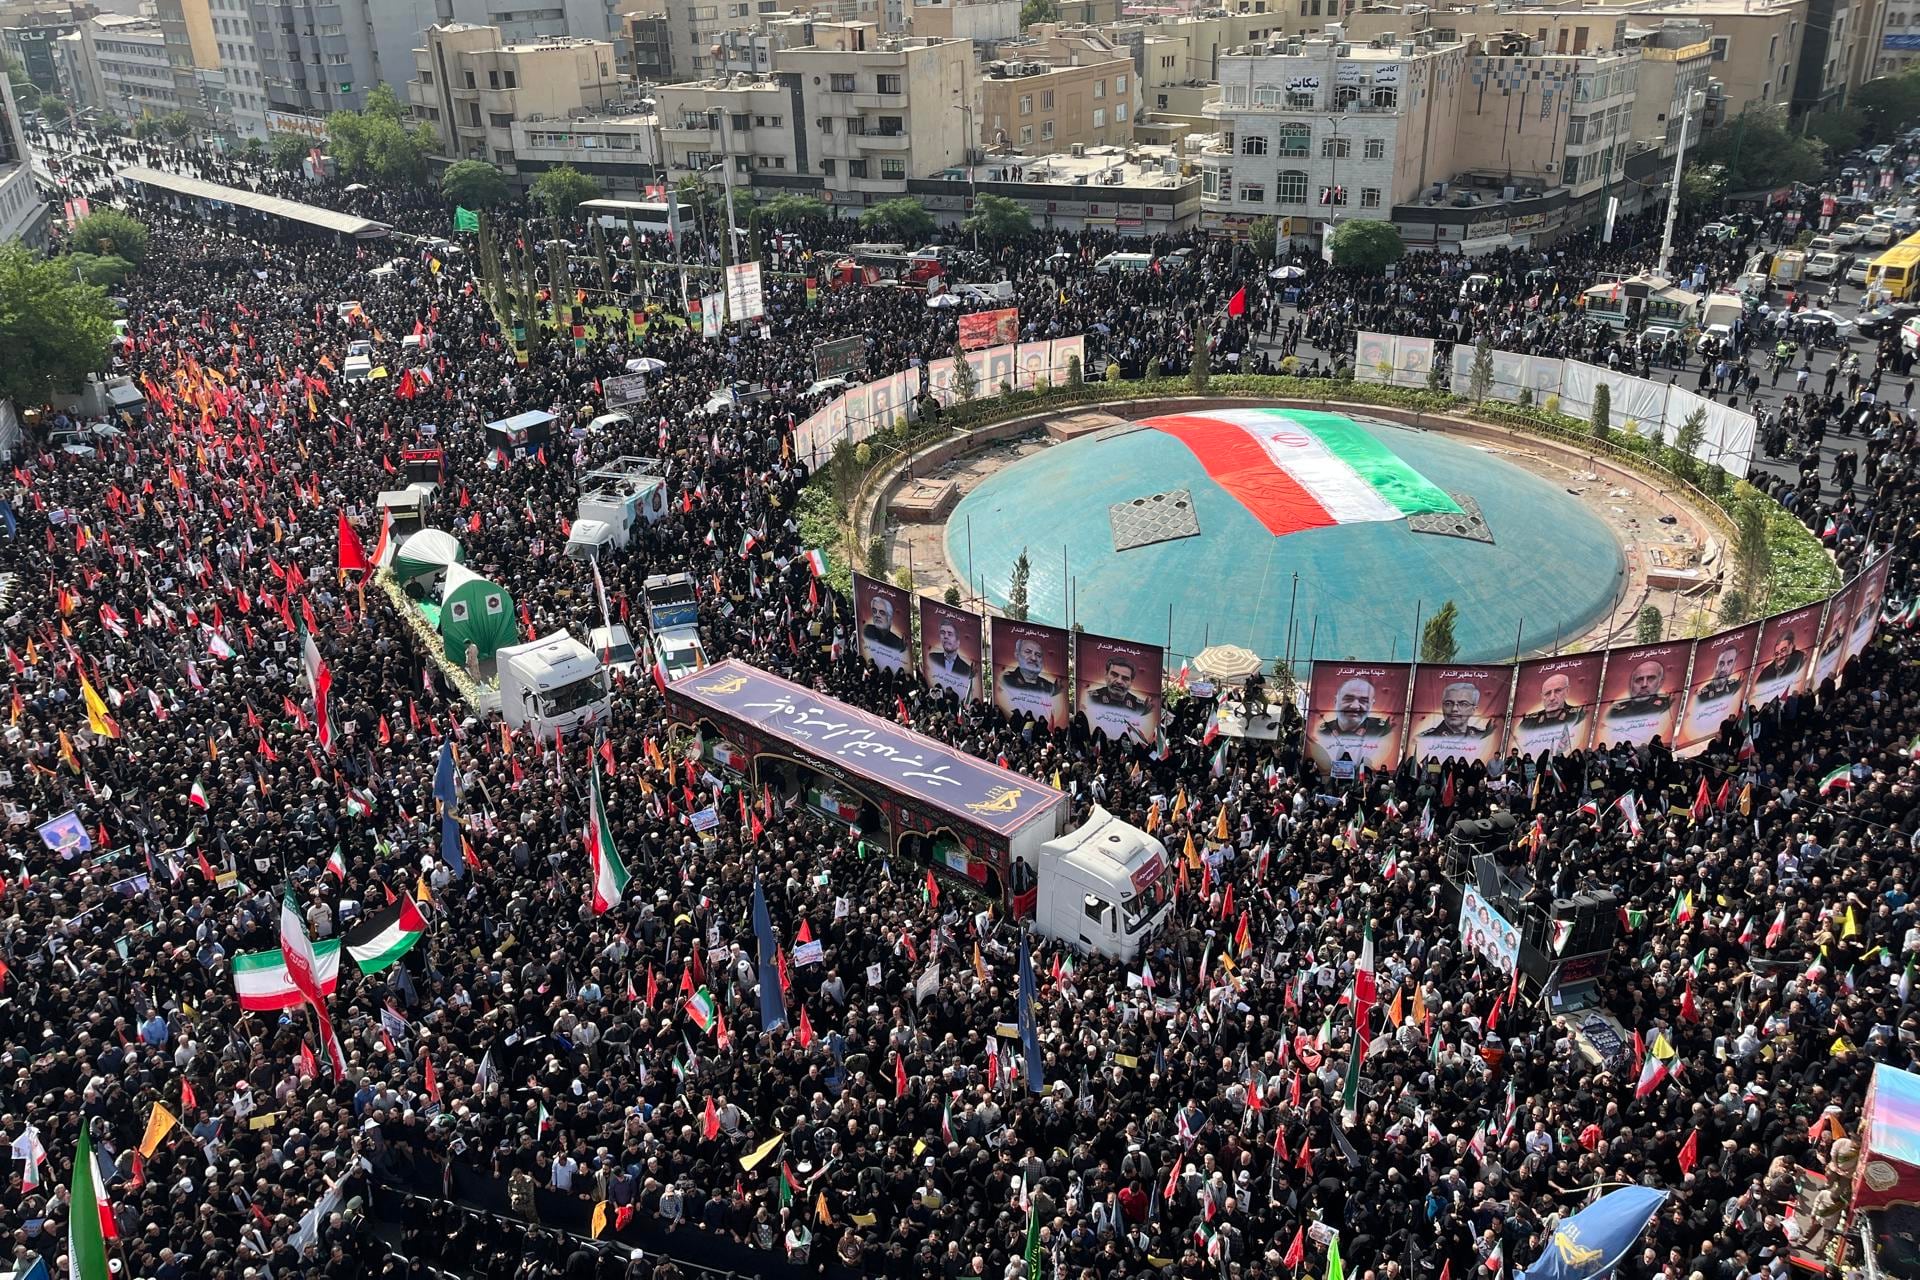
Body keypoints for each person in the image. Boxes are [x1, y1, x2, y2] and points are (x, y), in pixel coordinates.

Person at [1421, 681, 1489, 738]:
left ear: (1473, 710)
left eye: (1463, 704)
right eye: (1448, 703)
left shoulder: (1482, 737)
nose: (1454, 709)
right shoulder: (1425, 738)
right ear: (1442, 707)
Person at [1518, 673, 1585, 729]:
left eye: (1557, 691)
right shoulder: (1528, 722)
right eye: (1547, 693)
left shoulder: (1578, 715)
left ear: (1567, 691)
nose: (1552, 698)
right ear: (1542, 697)